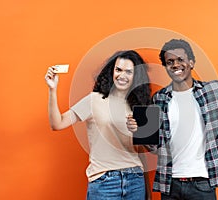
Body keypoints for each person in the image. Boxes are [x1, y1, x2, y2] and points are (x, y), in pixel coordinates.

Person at [126, 39, 218, 200]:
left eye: (180, 59)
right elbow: (154, 147)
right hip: (170, 184)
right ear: (166, 67)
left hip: (202, 184)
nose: (175, 65)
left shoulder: (215, 91)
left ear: (191, 63)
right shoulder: (159, 98)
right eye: (170, 62)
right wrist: (139, 130)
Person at [45, 50, 152, 200]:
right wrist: (52, 89)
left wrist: (138, 131)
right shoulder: (94, 100)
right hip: (104, 181)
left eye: (129, 72)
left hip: (135, 179)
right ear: (111, 71)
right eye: (118, 70)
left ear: (136, 76)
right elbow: (57, 123)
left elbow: (151, 149)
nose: (122, 76)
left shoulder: (140, 105)